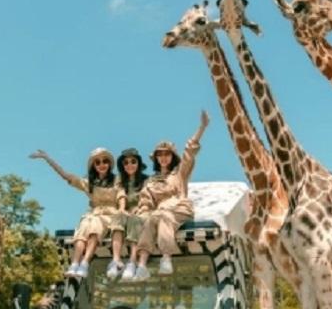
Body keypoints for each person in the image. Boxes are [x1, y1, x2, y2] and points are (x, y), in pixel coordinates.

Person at [125, 110, 209, 281]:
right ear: (156, 158)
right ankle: (141, 266)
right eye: (160, 155)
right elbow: (146, 203)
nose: (163, 158)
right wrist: (137, 212)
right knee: (150, 219)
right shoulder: (151, 181)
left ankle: (166, 257)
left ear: (172, 156)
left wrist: (201, 128)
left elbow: (189, 152)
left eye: (167, 154)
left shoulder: (179, 173)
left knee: (162, 216)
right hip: (159, 213)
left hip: (179, 208)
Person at [29, 147, 119, 278]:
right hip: (93, 213)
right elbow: (66, 176)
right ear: (93, 165)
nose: (102, 165)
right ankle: (75, 264)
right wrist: (47, 158)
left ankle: (85, 263)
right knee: (83, 229)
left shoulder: (117, 181)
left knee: (94, 228)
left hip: (110, 214)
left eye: (105, 161)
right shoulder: (89, 183)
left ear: (109, 164)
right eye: (97, 162)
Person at [107, 148, 149, 279]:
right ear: (122, 165)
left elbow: (147, 197)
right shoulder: (119, 181)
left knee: (135, 219)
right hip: (125, 210)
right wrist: (122, 210)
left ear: (138, 163)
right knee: (118, 216)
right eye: (126, 163)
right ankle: (116, 260)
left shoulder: (147, 180)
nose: (130, 165)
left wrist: (139, 208)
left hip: (142, 210)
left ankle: (132, 261)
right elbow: (120, 197)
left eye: (133, 161)